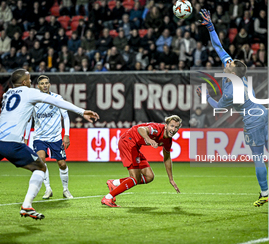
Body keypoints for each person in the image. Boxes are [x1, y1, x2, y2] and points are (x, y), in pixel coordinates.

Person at [197, 9, 269, 208]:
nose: (228, 61)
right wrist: (211, 27)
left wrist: (206, 97)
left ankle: (265, 193)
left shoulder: (229, 93)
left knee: (258, 157)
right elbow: (219, 47)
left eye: (231, 63)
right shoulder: (236, 74)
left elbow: (218, 107)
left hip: (252, 119)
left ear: (232, 71)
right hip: (264, 111)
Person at [0, 69, 99, 219]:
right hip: (12, 142)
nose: (31, 82)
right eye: (29, 79)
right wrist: (81, 111)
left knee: (56, 163)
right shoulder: (29, 92)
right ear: (25, 82)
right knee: (40, 167)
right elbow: (57, 101)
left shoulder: (7, 95)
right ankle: (27, 205)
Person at [101, 115, 182, 207]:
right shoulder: (157, 129)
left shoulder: (168, 141)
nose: (173, 129)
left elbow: (167, 158)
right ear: (166, 125)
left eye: (176, 127)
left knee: (149, 176)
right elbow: (141, 129)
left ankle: (115, 183)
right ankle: (108, 197)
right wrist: (148, 139)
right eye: (172, 126)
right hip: (128, 142)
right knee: (135, 177)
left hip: (135, 147)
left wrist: (171, 179)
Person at [24, 75, 73, 200]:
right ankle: (48, 189)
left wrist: (66, 134)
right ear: (38, 86)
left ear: (49, 84)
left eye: (46, 83)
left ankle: (65, 189)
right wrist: (26, 137)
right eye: (42, 83)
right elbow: (29, 120)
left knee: (62, 164)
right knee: (40, 160)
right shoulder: (34, 101)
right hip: (39, 137)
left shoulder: (57, 98)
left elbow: (65, 116)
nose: (45, 85)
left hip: (56, 137)